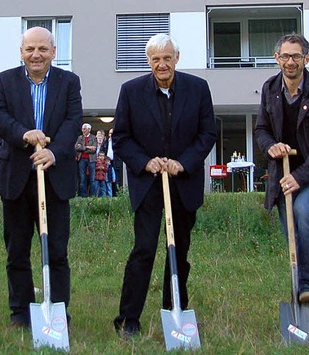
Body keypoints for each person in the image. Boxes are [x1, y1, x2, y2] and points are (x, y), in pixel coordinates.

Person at [112, 33, 217, 337]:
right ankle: (129, 319)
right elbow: (120, 137)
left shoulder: (198, 89)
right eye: (155, 59)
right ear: (148, 61)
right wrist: (145, 162)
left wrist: (184, 162)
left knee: (179, 250)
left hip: (183, 183)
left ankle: (177, 313)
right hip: (148, 183)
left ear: (177, 59)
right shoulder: (130, 92)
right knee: (143, 250)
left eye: (166, 58)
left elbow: (207, 133)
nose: (161, 64)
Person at [0, 26, 82, 328]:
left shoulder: (69, 82)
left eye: (42, 49)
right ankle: (20, 313)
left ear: (54, 52)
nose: (36, 55)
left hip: (54, 178)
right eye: (30, 49)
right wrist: (23, 134)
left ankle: (58, 312)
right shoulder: (5, 81)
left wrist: (54, 153)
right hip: (17, 177)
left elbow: (73, 121)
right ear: (21, 52)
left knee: (56, 250)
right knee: (17, 251)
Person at [255, 33, 309, 325]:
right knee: (295, 239)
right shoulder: (269, 88)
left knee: (303, 211)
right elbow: (261, 130)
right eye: (285, 56)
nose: (290, 62)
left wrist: (300, 177)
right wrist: (270, 146)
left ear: (307, 59)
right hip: (283, 173)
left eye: (296, 56)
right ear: (277, 59)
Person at [75, 123, 97, 197]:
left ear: (89, 129)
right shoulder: (80, 138)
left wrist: (83, 148)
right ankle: (83, 196)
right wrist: (88, 147)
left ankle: (93, 196)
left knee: (92, 179)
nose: (83, 130)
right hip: (82, 159)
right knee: (82, 178)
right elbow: (76, 148)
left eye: (84, 129)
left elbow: (94, 150)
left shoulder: (94, 137)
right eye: (82, 129)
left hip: (91, 160)